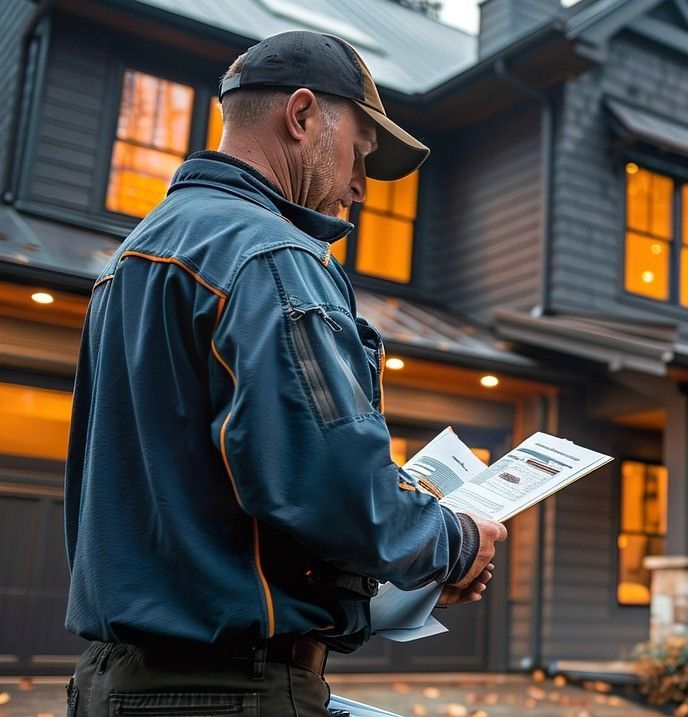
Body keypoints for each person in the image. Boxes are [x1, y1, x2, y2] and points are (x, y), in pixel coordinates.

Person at [63, 30, 507, 715]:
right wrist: (455, 540)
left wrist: (399, 566)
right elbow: (333, 483)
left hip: (117, 683)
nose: (360, 185)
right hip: (225, 692)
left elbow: (219, 494)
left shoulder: (133, 259)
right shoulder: (273, 258)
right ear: (301, 116)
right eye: (359, 154)